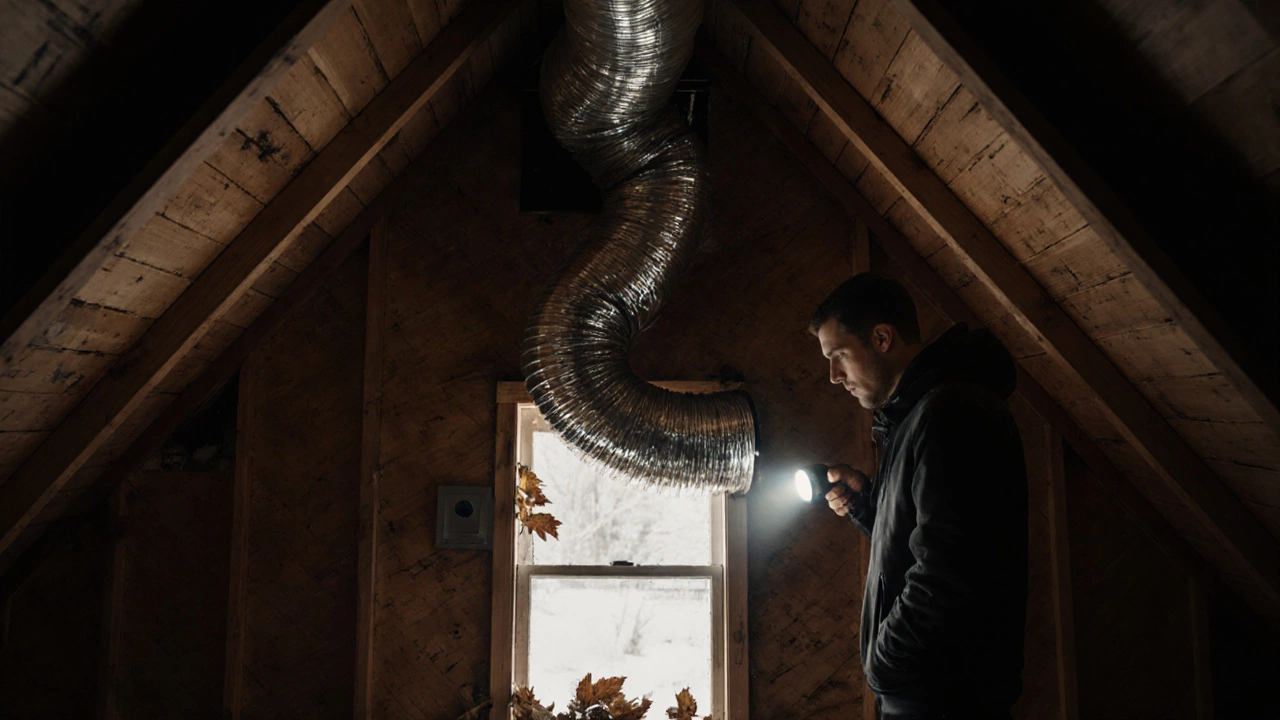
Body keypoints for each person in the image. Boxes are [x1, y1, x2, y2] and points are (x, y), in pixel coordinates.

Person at [812, 273, 1028, 719]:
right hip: (928, 694)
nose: (834, 376)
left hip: (945, 700)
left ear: (882, 338)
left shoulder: (951, 413)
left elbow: (948, 570)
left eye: (839, 356)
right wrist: (869, 507)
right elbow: (930, 543)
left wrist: (885, 663)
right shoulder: (913, 418)